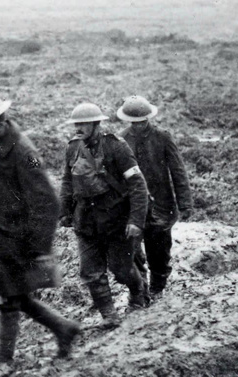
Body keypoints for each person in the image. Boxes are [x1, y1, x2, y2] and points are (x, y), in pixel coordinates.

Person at [0, 96, 82, 377]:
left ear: (0, 123)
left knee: (9, 299)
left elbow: (48, 201)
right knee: (15, 294)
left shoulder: (23, 151)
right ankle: (64, 329)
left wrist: (38, 247)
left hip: (16, 238)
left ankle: (5, 362)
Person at [60, 102, 149, 328]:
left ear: (96, 124)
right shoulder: (72, 148)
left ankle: (138, 291)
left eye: (84, 124)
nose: (78, 128)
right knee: (90, 271)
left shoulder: (116, 147)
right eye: (76, 124)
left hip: (116, 219)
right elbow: (67, 181)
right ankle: (109, 315)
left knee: (120, 270)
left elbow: (138, 185)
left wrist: (136, 220)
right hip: (86, 220)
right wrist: (64, 212)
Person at [117, 96, 193, 300]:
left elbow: (178, 171)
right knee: (132, 250)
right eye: (135, 122)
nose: (139, 126)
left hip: (161, 204)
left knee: (159, 249)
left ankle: (158, 286)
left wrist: (184, 203)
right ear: (128, 121)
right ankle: (140, 291)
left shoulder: (162, 138)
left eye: (142, 121)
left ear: (148, 118)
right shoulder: (121, 140)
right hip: (133, 205)